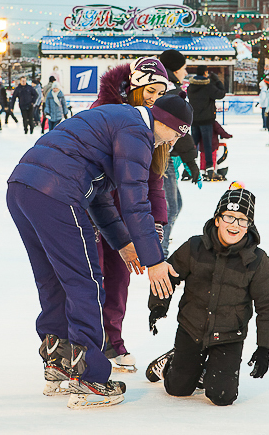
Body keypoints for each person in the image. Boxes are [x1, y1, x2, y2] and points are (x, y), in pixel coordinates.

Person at [6, 93, 190, 408]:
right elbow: (136, 200)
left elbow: (99, 195)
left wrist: (123, 243)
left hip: (22, 188)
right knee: (86, 282)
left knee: (53, 279)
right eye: (177, 134)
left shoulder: (118, 119)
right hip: (57, 192)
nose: (171, 143)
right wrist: (155, 260)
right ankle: (89, 378)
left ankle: (58, 363)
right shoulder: (137, 133)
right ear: (168, 122)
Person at [147, 185, 269, 406]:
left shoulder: (257, 260)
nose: (234, 225)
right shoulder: (195, 247)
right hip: (192, 328)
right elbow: (168, 276)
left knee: (222, 397)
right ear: (217, 219)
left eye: (242, 220)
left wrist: (264, 347)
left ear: (249, 226)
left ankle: (209, 370)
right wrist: (158, 306)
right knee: (177, 389)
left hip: (229, 335)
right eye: (229, 217)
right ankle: (171, 361)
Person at [90, 56, 171, 373]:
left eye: (159, 93)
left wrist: (159, 224)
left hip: (124, 212)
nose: (153, 98)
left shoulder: (155, 125)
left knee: (120, 277)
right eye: (150, 90)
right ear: (136, 86)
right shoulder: (105, 111)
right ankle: (85, 346)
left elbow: (154, 178)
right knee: (91, 278)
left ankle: (112, 340)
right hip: (91, 205)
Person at [159, 49, 201, 258]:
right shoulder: (171, 91)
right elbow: (181, 130)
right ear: (175, 69)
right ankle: (159, 252)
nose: (186, 73)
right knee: (170, 207)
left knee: (174, 205)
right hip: (161, 156)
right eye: (184, 68)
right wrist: (192, 163)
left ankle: (158, 244)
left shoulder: (163, 87)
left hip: (162, 154)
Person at [187, 65, 226, 180]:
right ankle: (209, 168)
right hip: (206, 120)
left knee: (193, 145)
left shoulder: (191, 87)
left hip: (194, 119)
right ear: (205, 73)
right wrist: (217, 81)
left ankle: (188, 168)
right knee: (207, 145)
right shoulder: (208, 86)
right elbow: (221, 94)